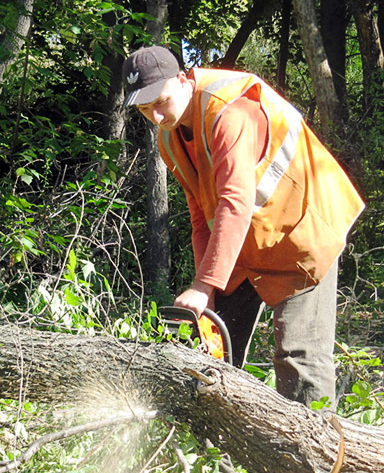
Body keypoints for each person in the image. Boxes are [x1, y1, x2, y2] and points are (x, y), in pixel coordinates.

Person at [122, 45, 365, 409]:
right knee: (214, 354)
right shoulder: (170, 138)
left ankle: (320, 461)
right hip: (247, 243)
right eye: (144, 110)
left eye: (160, 102)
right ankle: (217, 456)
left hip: (301, 232)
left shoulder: (229, 110)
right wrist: (208, 293)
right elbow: (202, 216)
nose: (155, 116)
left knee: (298, 362)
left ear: (182, 80)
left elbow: (235, 201)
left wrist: (204, 286)